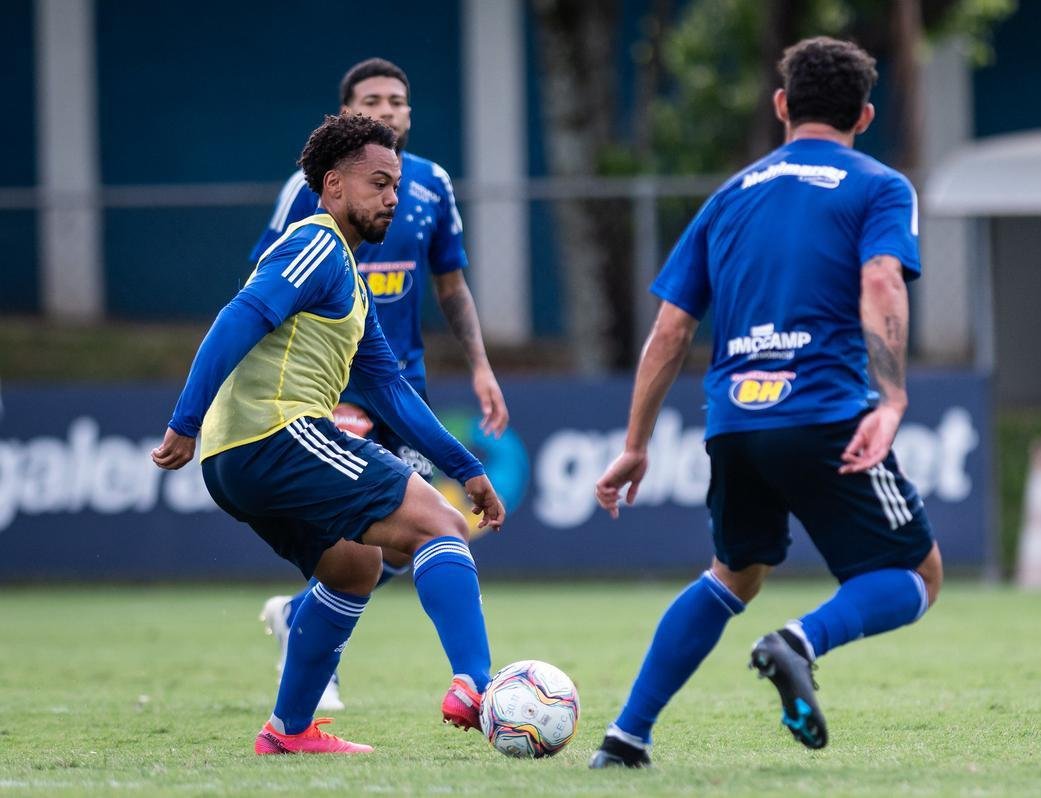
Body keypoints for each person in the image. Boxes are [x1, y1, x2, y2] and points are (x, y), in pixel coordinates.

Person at [587, 36, 943, 769]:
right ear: (865, 115)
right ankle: (798, 643)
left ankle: (626, 738)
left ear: (782, 105)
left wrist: (636, 443)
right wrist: (894, 396)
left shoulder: (729, 196)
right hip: (823, 413)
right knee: (917, 575)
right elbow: (882, 280)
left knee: (734, 572)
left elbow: (670, 330)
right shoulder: (879, 185)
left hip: (735, 422)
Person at [152, 113, 504, 754]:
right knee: (441, 527)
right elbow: (239, 317)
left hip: (242, 457)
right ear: (334, 185)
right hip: (274, 434)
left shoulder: (351, 279)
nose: (392, 197)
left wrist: (468, 467)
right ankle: (481, 687)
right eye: (378, 183)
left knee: (354, 567)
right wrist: (184, 420)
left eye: (396, 184)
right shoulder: (313, 241)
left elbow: (391, 391)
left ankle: (288, 731)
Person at [252, 57, 509, 712]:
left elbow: (451, 283)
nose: (388, 109)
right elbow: (266, 279)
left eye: (398, 99)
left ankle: (301, 615)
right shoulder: (312, 189)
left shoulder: (430, 185)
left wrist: (480, 365)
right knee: (359, 526)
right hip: (336, 384)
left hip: (402, 382)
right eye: (373, 100)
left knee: (398, 538)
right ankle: (319, 669)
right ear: (345, 115)